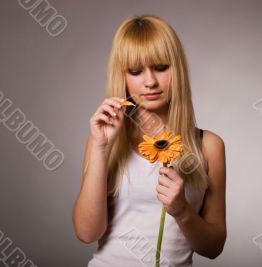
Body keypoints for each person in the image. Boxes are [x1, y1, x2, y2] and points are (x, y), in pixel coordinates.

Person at [72, 14, 227, 267]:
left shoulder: (208, 146)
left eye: (161, 67)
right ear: (122, 76)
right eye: (135, 71)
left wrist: (181, 210)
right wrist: (101, 148)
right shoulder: (104, 141)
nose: (150, 82)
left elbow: (213, 248)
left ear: (177, 68)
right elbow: (87, 233)